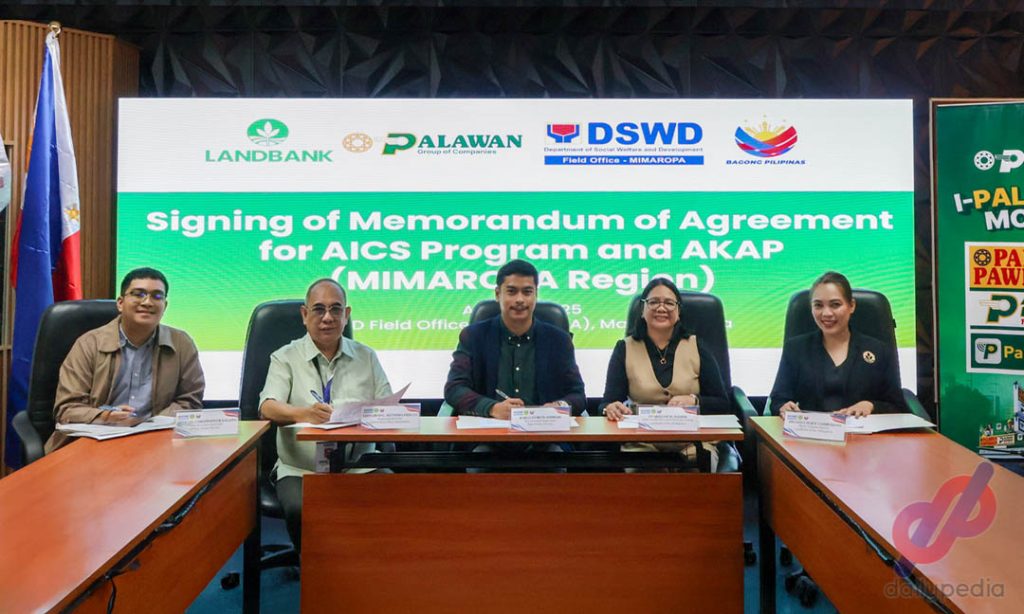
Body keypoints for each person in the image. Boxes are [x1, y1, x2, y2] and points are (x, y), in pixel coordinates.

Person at [259, 278, 391, 552]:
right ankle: (314, 567)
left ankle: (371, 566)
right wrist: (304, 414)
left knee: (396, 494)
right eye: (319, 309)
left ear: (347, 314)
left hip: (359, 465)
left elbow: (389, 407)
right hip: (301, 470)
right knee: (300, 507)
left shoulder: (367, 357)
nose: (328, 318)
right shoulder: (285, 357)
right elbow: (267, 407)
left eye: (335, 309)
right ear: (304, 315)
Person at [45, 267, 205, 453]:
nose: (147, 302)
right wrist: (106, 416)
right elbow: (67, 409)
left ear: (165, 306)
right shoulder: (89, 344)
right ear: (120, 303)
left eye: (157, 296)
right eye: (138, 294)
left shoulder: (181, 344)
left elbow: (190, 401)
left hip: (157, 443)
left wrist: (153, 424)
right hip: (91, 444)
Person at [599, 277, 731, 470]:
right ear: (643, 309)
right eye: (653, 302)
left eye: (669, 303)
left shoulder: (697, 346)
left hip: (693, 443)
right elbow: (607, 402)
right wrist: (610, 407)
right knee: (645, 479)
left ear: (678, 310)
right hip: (643, 445)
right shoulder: (624, 348)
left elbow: (722, 403)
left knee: (697, 477)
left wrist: (694, 400)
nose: (661, 308)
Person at [444, 259, 586, 418]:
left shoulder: (558, 340)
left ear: (536, 295)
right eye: (511, 291)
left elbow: (577, 395)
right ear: (498, 294)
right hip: (490, 428)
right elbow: (455, 389)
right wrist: (492, 408)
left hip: (543, 429)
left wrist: (559, 406)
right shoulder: (473, 336)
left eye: (527, 292)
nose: (520, 299)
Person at [770, 271, 907, 417]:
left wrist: (870, 405)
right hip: (811, 429)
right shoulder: (795, 349)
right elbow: (778, 400)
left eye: (835, 305)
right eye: (818, 305)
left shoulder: (879, 350)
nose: (826, 313)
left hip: (862, 430)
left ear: (851, 305)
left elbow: (897, 406)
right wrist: (783, 407)